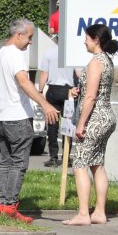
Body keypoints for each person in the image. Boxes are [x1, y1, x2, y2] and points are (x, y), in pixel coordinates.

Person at [0, 19, 59, 223]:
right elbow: (24, 82)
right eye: (29, 37)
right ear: (19, 35)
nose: (30, 42)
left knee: (5, 162)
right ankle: (10, 207)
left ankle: (0, 205)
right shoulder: (15, 55)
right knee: (19, 163)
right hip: (18, 117)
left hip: (3, 117)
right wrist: (45, 104)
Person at [64, 24, 118, 226]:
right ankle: (99, 212)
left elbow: (91, 97)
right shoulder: (107, 60)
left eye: (87, 38)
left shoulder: (96, 62)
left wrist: (81, 124)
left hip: (95, 119)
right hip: (107, 117)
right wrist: (77, 90)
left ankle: (82, 214)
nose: (84, 42)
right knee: (98, 164)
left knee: (80, 164)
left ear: (96, 39)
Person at [38, 28, 76, 168]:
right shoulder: (72, 54)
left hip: (53, 91)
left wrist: (40, 90)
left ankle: (53, 157)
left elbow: (44, 74)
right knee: (68, 124)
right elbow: (79, 74)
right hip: (68, 91)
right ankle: (66, 157)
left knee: (52, 124)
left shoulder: (49, 53)